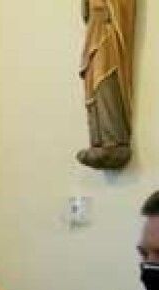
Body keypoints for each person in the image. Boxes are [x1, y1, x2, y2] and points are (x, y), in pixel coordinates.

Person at [77, 0, 137, 169]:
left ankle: (112, 137)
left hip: (109, 29)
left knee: (106, 79)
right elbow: (85, 13)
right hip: (95, 28)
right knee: (92, 81)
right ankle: (97, 138)